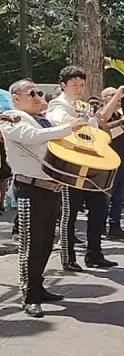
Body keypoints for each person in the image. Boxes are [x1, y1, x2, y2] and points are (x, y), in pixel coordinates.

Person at [0, 79, 86, 317]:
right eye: (33, 93)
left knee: (46, 243)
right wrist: (70, 127)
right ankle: (29, 296)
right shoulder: (11, 117)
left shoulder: (43, 118)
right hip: (30, 188)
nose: (39, 96)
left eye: (39, 92)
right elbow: (33, 136)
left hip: (50, 188)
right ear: (16, 98)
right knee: (31, 245)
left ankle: (38, 287)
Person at [47, 66, 124, 271]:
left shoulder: (83, 105)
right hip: (70, 163)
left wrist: (118, 95)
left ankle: (95, 254)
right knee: (69, 212)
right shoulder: (58, 104)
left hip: (91, 162)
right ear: (63, 86)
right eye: (74, 84)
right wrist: (81, 119)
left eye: (82, 84)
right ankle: (68, 257)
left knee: (99, 208)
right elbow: (60, 122)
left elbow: (99, 123)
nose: (79, 88)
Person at [102, 87, 124, 240]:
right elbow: (102, 131)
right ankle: (100, 226)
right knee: (105, 197)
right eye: (113, 95)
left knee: (120, 197)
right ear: (105, 98)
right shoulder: (102, 115)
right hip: (108, 161)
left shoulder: (120, 115)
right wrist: (119, 125)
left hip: (122, 160)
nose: (118, 98)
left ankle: (115, 226)